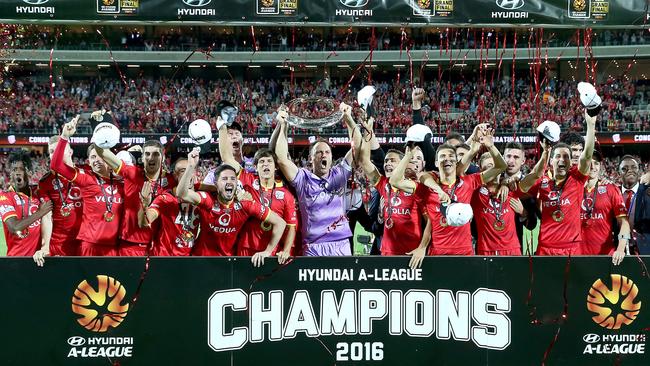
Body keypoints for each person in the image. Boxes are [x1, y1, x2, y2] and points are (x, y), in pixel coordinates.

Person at [397, 128, 507, 257]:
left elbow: (501, 167)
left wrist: (491, 146)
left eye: (451, 156)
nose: (447, 159)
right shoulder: (427, 187)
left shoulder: (469, 182)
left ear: (456, 162)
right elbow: (396, 181)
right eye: (442, 156)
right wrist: (406, 157)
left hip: (465, 254)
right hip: (437, 254)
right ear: (436, 163)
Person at [274, 103, 360, 256]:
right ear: (310, 159)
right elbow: (281, 159)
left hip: (340, 244)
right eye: (319, 152)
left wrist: (348, 118)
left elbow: (357, 148)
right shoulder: (303, 178)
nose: (324, 155)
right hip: (314, 245)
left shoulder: (339, 174)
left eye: (327, 152)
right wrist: (283, 125)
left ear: (332, 156)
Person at [176, 149, 287, 266]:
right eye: (224, 179)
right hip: (202, 261)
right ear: (216, 184)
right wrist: (191, 166)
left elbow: (280, 223)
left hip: (228, 263)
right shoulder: (208, 201)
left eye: (233, 179)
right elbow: (182, 193)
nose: (229, 182)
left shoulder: (246, 204)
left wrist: (268, 251)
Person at [218, 114, 297, 263]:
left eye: (269, 162)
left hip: (271, 251)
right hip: (245, 248)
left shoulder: (286, 195)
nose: (265, 165)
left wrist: (286, 251)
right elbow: (227, 158)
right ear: (255, 167)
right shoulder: (247, 180)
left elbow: (291, 227)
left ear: (275, 167)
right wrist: (222, 128)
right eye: (261, 162)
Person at [518, 111, 596, 255]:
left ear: (571, 162)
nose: (562, 160)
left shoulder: (577, 178)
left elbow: (587, 156)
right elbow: (522, 188)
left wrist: (591, 125)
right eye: (558, 156)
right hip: (545, 247)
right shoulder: (542, 180)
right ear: (552, 160)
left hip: (572, 248)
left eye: (567, 156)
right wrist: (545, 153)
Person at [51, 116, 124, 256]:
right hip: (89, 245)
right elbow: (56, 165)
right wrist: (64, 136)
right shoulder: (87, 179)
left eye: (100, 157)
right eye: (92, 157)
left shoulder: (121, 184)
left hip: (113, 247)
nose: (96, 160)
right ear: (88, 162)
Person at [95, 139, 175, 256]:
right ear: (142, 158)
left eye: (156, 154)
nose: (151, 158)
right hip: (129, 245)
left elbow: (193, 186)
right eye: (147, 154)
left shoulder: (171, 180)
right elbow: (103, 153)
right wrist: (100, 135)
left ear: (162, 158)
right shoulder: (132, 173)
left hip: (157, 247)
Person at [34, 136, 85, 264]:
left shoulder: (85, 174)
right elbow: (46, 216)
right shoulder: (45, 182)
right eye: (52, 152)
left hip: (86, 242)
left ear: (70, 152)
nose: (55, 154)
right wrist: (45, 246)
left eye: (59, 150)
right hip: (59, 245)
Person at [139, 158, 199, 256]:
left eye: (191, 169)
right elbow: (145, 223)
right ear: (175, 175)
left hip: (189, 260)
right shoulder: (165, 199)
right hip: (164, 258)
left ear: (195, 173)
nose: (188, 174)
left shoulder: (201, 199)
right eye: (183, 171)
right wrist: (145, 205)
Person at [579, 151, 629, 264]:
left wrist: (621, 249)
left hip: (605, 257)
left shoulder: (611, 189)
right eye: (589, 162)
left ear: (600, 166)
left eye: (596, 163)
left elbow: (624, 223)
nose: (593, 166)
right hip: (576, 257)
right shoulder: (573, 188)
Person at [0, 150, 52, 257]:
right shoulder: (5, 196)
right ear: (11, 174)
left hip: (38, 259)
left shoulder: (38, 193)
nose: (18, 172)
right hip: (15, 261)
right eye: (14, 169)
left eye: (22, 169)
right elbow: (14, 227)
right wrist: (40, 212)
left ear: (30, 173)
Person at [471, 152, 522, 256]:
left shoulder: (512, 188)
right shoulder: (475, 193)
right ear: (481, 170)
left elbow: (531, 177)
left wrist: (523, 212)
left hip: (512, 250)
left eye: (496, 167)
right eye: (488, 168)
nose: (493, 171)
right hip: (485, 251)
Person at [500, 141, 538, 247]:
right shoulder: (494, 181)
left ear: (523, 161)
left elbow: (532, 225)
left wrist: (523, 213)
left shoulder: (529, 186)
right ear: (503, 157)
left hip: (516, 248)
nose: (511, 161)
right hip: (490, 246)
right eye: (508, 156)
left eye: (516, 157)